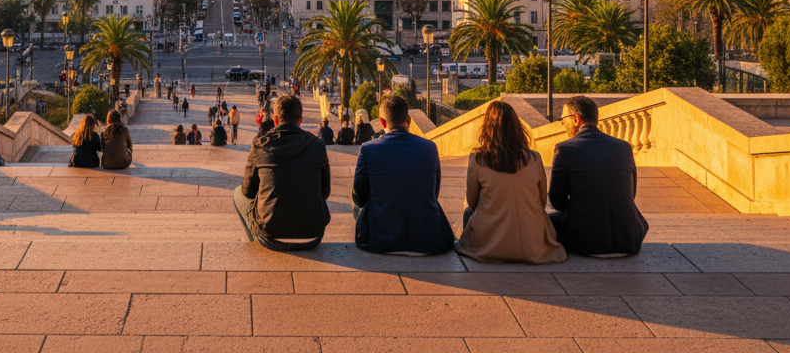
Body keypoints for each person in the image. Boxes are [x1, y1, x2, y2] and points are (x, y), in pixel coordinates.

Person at [456, 101, 565, 264]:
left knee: (467, 213)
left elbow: (472, 203)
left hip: (490, 245)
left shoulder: (478, 159)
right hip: (533, 245)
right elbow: (541, 203)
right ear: (517, 127)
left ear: (487, 128)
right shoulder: (535, 158)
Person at [351, 96, 456, 255]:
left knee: (355, 198)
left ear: (382, 121)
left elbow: (359, 198)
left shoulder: (367, 149)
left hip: (380, 241)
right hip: (427, 242)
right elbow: (433, 193)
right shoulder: (430, 148)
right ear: (409, 119)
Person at [549, 95, 649, 256]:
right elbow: (631, 194)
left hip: (586, 242)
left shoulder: (565, 149)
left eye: (563, 120)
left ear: (576, 119)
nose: (563, 125)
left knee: (546, 220)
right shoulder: (624, 147)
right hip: (628, 240)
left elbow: (558, 202)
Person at [233, 95, 331, 251]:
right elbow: (325, 192)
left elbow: (247, 191)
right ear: (301, 119)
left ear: (275, 119)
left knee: (237, 193)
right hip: (313, 233)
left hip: (269, 233)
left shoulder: (260, 145)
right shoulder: (317, 145)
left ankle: (256, 238)